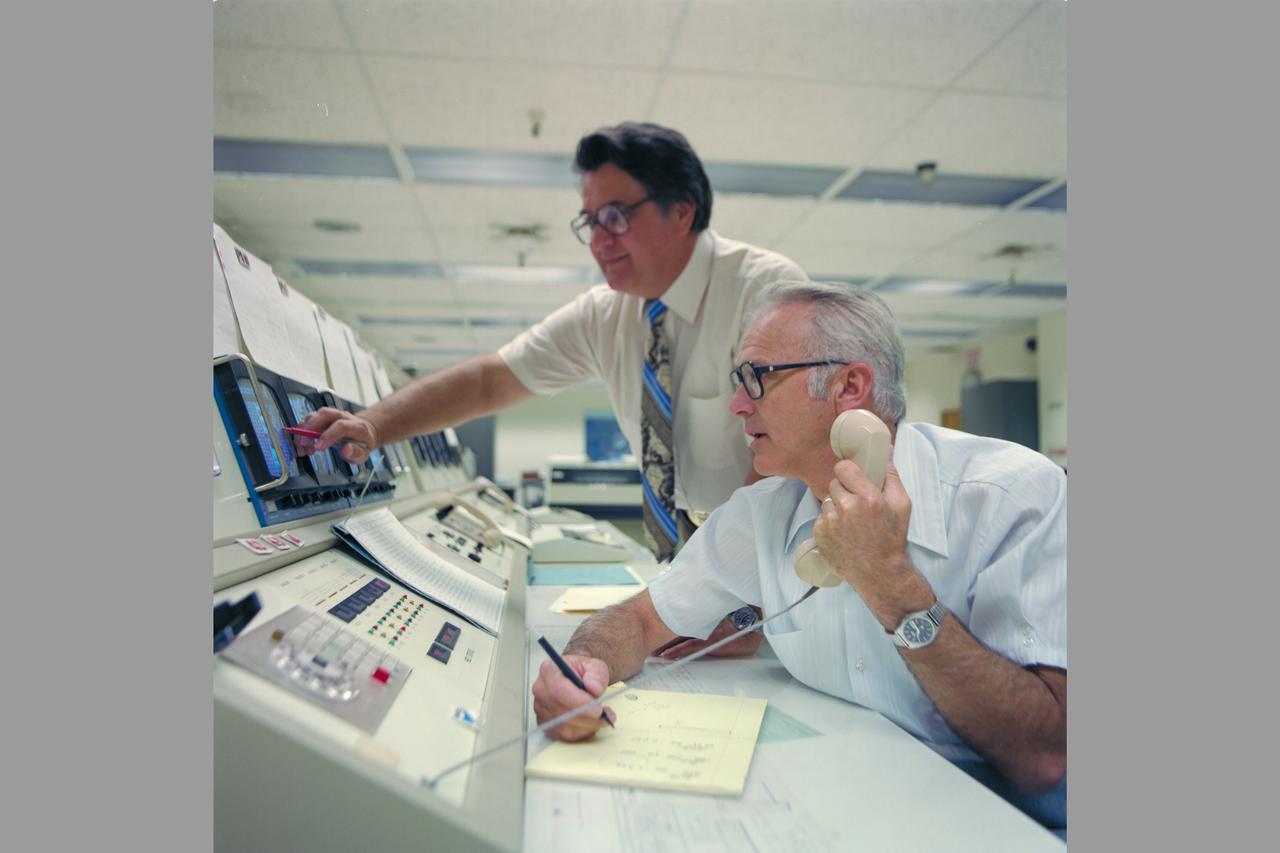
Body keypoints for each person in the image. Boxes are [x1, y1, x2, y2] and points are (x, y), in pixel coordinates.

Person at [529, 281, 1068, 829]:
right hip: (851, 802)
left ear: (849, 386)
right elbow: (638, 619)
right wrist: (582, 664)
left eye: (757, 378)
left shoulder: (1012, 497)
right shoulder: (765, 510)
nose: (737, 405)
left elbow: (1044, 759)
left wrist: (891, 585)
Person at [298, 122, 805, 577]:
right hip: (694, 561)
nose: (599, 240)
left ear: (682, 211)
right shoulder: (606, 314)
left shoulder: (764, 292)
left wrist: (733, 585)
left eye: (615, 216)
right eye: (590, 222)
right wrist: (373, 426)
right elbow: (489, 380)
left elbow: (783, 451)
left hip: (774, 558)